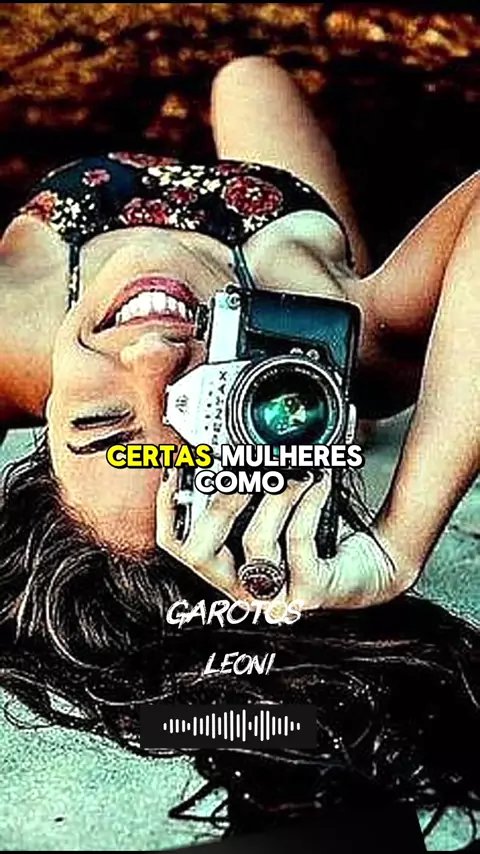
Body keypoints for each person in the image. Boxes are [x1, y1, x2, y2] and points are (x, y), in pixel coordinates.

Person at [0, 56, 478, 843]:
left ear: (43, 425)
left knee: (238, 73)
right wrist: (402, 538)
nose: (154, 358)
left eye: (103, 425)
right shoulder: (350, 343)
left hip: (83, 208)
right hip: (271, 214)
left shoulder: (11, 343)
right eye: (208, 414)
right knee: (251, 78)